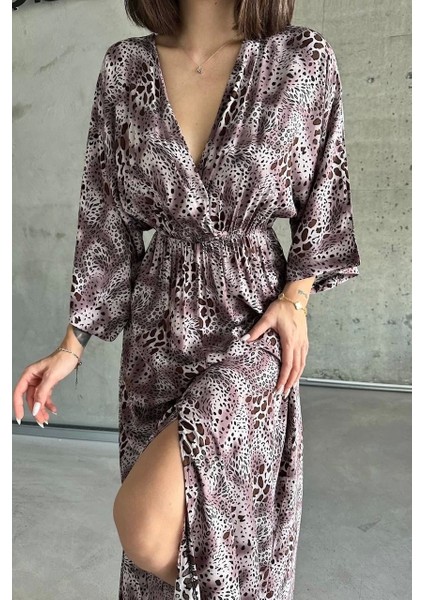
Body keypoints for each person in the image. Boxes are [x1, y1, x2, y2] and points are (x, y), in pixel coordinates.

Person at [13, 0, 361, 598]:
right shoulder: (125, 69)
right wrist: (72, 345)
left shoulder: (301, 59)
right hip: (157, 334)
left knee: (146, 528)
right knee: (174, 546)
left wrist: (297, 298)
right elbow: (105, 215)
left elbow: (327, 194)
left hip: (253, 322)